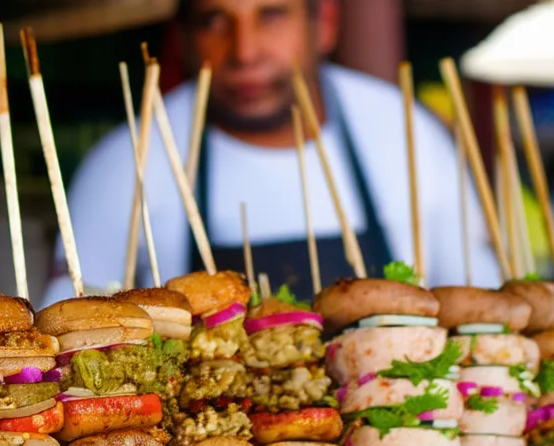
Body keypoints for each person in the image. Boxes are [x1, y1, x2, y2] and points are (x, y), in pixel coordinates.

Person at [42, 0, 499, 305]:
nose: (245, 52)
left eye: (272, 15)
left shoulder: (405, 132)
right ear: (183, 38)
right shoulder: (128, 162)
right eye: (215, 22)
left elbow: (479, 303)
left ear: (325, 26)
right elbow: (73, 323)